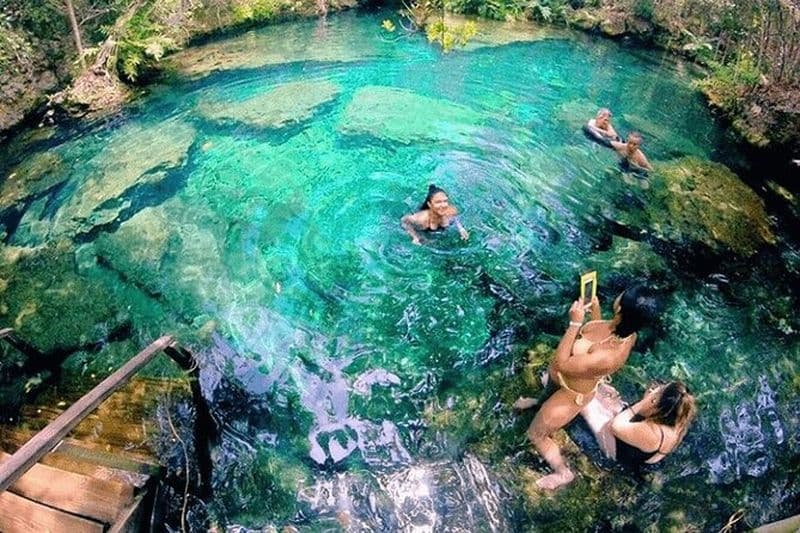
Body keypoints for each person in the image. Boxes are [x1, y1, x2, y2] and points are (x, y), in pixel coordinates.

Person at [516, 286, 656, 490]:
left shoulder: (606, 357)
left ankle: (563, 473)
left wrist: (574, 323)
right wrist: (595, 312)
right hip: (562, 381)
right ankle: (539, 403)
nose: (620, 293)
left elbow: (561, 363)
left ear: (620, 308)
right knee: (546, 394)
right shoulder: (625, 331)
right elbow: (596, 335)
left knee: (536, 435)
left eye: (623, 294)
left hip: (571, 395)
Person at [581, 380, 697, 471]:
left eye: (659, 391)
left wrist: (644, 402)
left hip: (623, 453)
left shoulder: (653, 434)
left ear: (659, 406)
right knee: (605, 393)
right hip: (637, 439)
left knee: (583, 401)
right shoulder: (678, 418)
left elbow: (615, 426)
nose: (657, 389)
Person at [401, 184, 469, 245]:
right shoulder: (421, 219)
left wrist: (460, 228)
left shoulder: (451, 211)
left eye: (445, 201)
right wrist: (415, 237)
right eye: (438, 202)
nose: (443, 205)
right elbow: (404, 220)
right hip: (426, 227)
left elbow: (455, 218)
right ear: (430, 204)